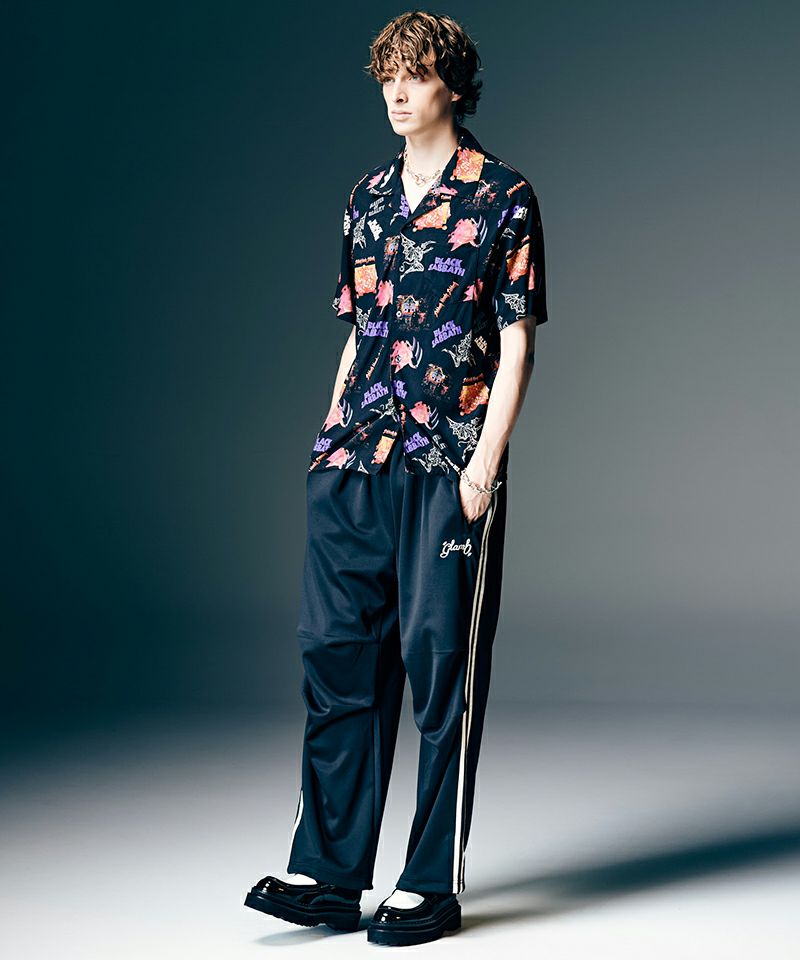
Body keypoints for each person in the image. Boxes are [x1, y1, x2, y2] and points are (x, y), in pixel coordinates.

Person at [245, 10, 549, 947]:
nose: (397, 92)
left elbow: (516, 341)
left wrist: (484, 465)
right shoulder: (366, 199)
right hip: (356, 460)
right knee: (337, 658)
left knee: (439, 666)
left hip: (447, 460)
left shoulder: (503, 196)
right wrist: (327, 435)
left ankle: (429, 883)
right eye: (387, 76)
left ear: (451, 84)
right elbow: (360, 331)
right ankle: (330, 874)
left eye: (414, 75)